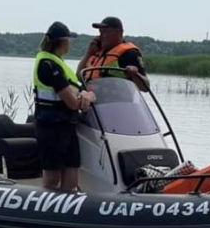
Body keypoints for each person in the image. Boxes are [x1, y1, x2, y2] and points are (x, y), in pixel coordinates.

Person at [34, 21, 96, 191]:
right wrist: (87, 96)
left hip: (67, 125)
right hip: (51, 127)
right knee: (52, 178)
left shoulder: (58, 63)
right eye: (69, 40)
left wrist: (84, 94)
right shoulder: (48, 65)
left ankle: (67, 206)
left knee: (72, 173)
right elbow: (72, 102)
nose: (70, 44)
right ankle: (44, 211)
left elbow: (76, 92)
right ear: (63, 42)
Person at [77, 16, 150, 92]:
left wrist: (134, 74)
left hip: (114, 101)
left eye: (104, 32)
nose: (100, 36)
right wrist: (88, 53)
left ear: (117, 32)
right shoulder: (96, 52)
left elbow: (146, 87)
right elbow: (79, 76)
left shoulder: (129, 53)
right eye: (100, 33)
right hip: (89, 100)